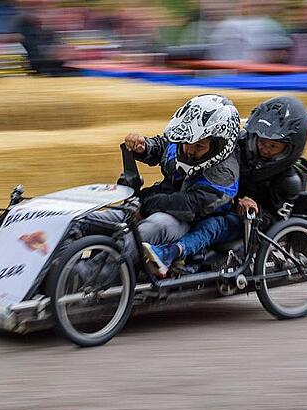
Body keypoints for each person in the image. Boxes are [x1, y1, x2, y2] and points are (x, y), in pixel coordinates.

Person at [74, 94, 241, 282]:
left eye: (199, 145)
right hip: (154, 204)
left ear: (219, 145)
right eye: (186, 142)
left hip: (186, 222)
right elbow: (163, 145)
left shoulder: (224, 173)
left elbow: (189, 205)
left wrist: (145, 205)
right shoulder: (183, 144)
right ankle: (53, 269)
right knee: (81, 221)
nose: (189, 150)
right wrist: (143, 146)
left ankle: (86, 276)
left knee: (144, 231)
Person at [143, 96, 307, 278]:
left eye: (273, 145)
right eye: (262, 141)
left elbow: (276, 224)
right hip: (220, 203)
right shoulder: (237, 144)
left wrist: (254, 209)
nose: (265, 149)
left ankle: (170, 253)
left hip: (246, 222)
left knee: (214, 224)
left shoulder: (289, 182)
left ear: (291, 148)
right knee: (193, 206)